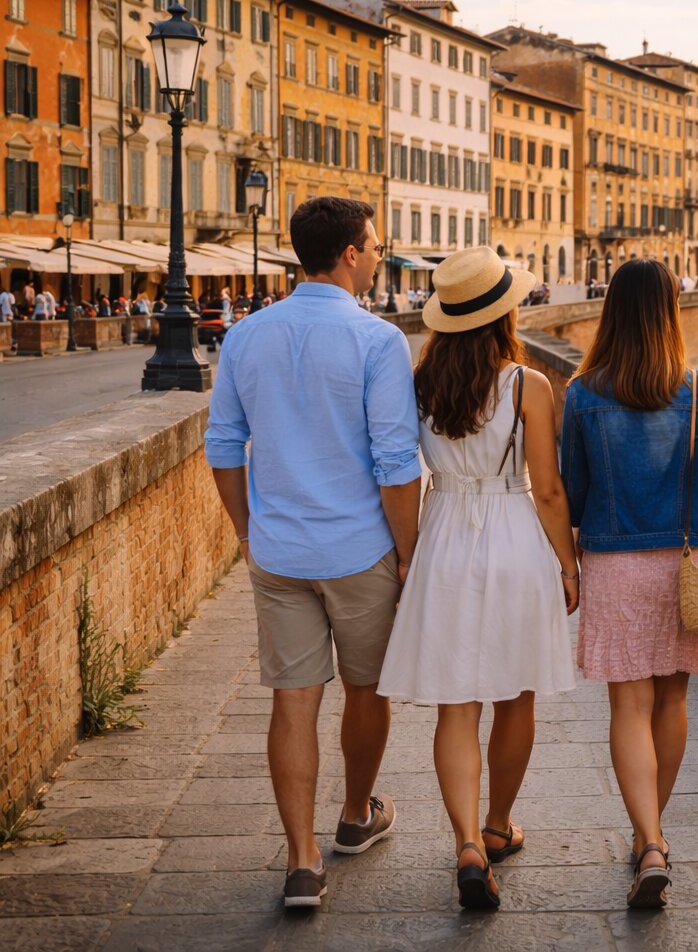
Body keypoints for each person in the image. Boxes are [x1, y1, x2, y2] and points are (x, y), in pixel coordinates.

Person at [205, 197, 419, 909]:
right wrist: (409, 550)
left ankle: (301, 865)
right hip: (360, 547)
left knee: (292, 701)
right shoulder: (379, 341)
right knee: (367, 688)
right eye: (377, 247)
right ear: (352, 255)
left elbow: (222, 447)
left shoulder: (245, 336)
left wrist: (244, 530)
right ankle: (356, 817)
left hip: (279, 549)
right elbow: (396, 462)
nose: (380, 256)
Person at [377, 247, 580, 910]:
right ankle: (497, 825)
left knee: (455, 704)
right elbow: (547, 489)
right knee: (515, 694)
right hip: (514, 536)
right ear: (504, 313)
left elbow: (401, 471)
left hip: (443, 539)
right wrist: (568, 564)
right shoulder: (528, 385)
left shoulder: (419, 383)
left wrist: (407, 554)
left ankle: (465, 841)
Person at [560, 259, 698, 910]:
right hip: (686, 568)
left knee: (628, 710)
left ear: (612, 310)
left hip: (614, 567)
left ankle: (647, 839)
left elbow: (572, 495)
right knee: (671, 705)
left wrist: (567, 562)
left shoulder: (583, 395)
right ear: (670, 312)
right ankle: (652, 839)